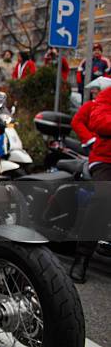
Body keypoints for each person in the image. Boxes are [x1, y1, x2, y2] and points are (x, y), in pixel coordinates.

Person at [69, 77, 111, 283]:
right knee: (104, 198)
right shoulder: (106, 94)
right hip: (105, 159)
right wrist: (90, 139)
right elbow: (98, 120)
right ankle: (82, 257)